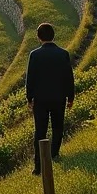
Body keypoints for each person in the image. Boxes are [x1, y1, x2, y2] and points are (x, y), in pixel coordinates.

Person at [25, 22, 74, 175]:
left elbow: (30, 79)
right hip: (59, 98)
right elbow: (69, 77)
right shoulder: (63, 54)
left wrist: (29, 98)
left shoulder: (34, 55)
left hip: (40, 100)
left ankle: (38, 165)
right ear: (54, 36)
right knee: (58, 127)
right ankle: (54, 154)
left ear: (39, 37)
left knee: (40, 131)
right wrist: (70, 97)